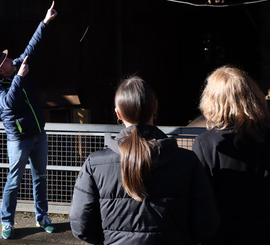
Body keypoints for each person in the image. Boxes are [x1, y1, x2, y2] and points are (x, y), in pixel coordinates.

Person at [69, 75, 220, 245]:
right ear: (155, 107)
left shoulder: (95, 164)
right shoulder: (187, 162)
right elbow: (206, 224)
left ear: (118, 113)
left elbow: (81, 225)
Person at [192, 66, 270, 245]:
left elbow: (202, 207)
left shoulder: (206, 144)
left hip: (226, 237)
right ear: (253, 95)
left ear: (212, 99)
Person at [0, 1, 58, 239]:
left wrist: (45, 22)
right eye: (7, 61)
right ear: (0, 72)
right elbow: (8, 103)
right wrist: (20, 79)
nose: (11, 60)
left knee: (41, 177)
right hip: (18, 139)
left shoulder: (12, 70)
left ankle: (42, 216)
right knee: (13, 181)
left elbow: (31, 49)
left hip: (37, 133)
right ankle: (7, 222)